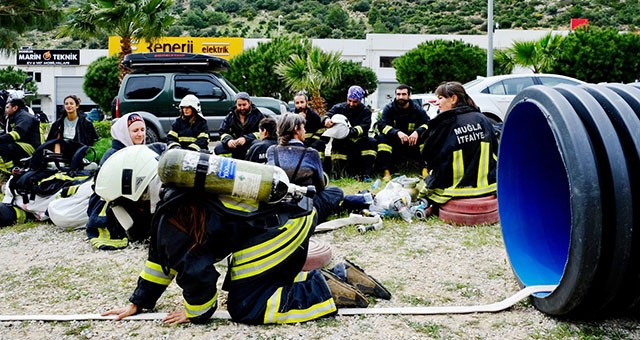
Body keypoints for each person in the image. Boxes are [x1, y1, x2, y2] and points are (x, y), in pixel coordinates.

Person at [102, 162, 390, 325]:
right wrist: (139, 302)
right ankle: (341, 275)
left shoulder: (171, 217)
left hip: (280, 226)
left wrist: (196, 312)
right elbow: (160, 262)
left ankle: (323, 289)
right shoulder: (172, 204)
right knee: (262, 287)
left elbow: (199, 275)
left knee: (247, 305)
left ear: (135, 195)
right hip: (285, 219)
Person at [420, 81, 498, 207]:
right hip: (488, 187)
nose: (437, 103)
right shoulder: (482, 118)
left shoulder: (445, 123)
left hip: (451, 188)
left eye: (440, 98)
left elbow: (428, 154)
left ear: (453, 99)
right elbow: (495, 150)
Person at [86, 112, 148, 250]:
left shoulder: (142, 151)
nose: (140, 134)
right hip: (111, 200)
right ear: (124, 133)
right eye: (135, 130)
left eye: (142, 130)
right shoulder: (113, 154)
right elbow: (102, 187)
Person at [267, 113, 343, 223]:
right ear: (296, 129)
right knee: (336, 192)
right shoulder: (311, 153)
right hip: (305, 205)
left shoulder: (271, 151)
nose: (305, 131)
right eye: (303, 127)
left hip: (278, 205)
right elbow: (320, 186)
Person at [375, 84, 430, 181]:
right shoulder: (389, 109)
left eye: (404, 94)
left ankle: (425, 170)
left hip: (413, 143)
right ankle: (386, 172)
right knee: (382, 140)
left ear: (409, 96)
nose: (401, 97)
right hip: (395, 143)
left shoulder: (417, 109)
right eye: (398, 94)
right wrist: (397, 133)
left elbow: (427, 124)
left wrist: (417, 132)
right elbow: (382, 126)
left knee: (427, 139)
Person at [323, 86, 377, 181]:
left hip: (360, 140)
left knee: (371, 143)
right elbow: (326, 115)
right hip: (342, 141)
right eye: (349, 100)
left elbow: (364, 127)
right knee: (336, 145)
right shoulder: (338, 107)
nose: (351, 104)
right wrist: (326, 120)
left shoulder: (365, 111)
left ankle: (366, 174)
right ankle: (337, 175)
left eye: (355, 101)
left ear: (360, 100)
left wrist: (349, 132)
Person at [214, 92, 265, 159]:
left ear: (249, 103)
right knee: (219, 147)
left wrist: (246, 138)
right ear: (236, 104)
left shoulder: (258, 115)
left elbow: (264, 132)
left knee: (257, 145)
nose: (242, 108)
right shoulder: (231, 116)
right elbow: (222, 131)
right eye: (239, 105)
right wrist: (228, 140)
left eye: (244, 105)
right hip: (234, 145)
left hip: (250, 144)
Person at [0, 98, 41, 173]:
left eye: (7, 107)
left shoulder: (24, 117)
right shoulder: (14, 117)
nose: (5, 110)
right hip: (22, 144)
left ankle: (10, 169)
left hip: (31, 147)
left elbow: (17, 133)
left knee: (4, 147)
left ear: (15, 108)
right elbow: (7, 133)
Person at [292, 92, 326, 160]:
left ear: (306, 102)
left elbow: (320, 132)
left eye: (302, 102)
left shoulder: (314, 116)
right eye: (297, 103)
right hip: (296, 143)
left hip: (312, 142)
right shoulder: (291, 116)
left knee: (320, 144)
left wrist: (310, 144)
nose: (300, 105)